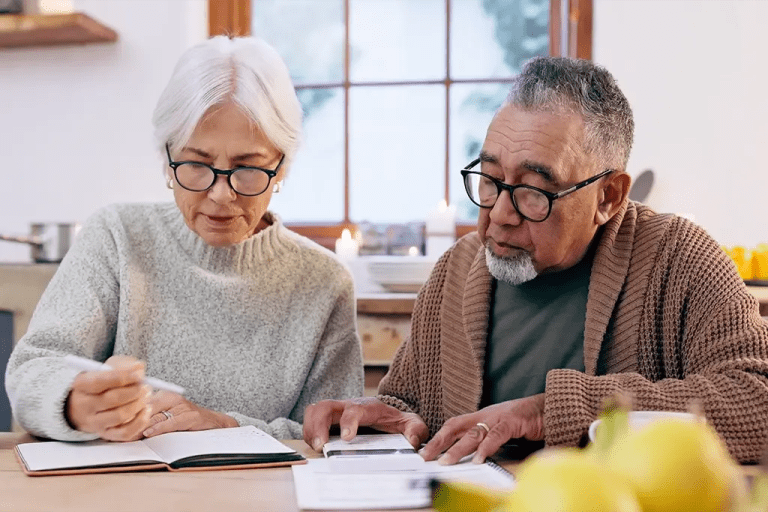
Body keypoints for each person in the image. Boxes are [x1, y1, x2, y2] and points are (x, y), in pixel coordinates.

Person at [303, 56, 768, 464]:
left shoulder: (680, 259)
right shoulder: (456, 270)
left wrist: (548, 412)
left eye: (533, 191)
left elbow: (757, 402)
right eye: (489, 180)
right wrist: (384, 418)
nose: (500, 215)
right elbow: (411, 405)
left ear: (609, 196)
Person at [5, 36, 363, 443]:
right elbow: (33, 369)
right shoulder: (118, 236)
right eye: (197, 164)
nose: (220, 195)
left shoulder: (323, 282)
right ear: (167, 157)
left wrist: (229, 428)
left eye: (248, 168)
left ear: (281, 168)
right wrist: (72, 403)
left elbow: (332, 433)